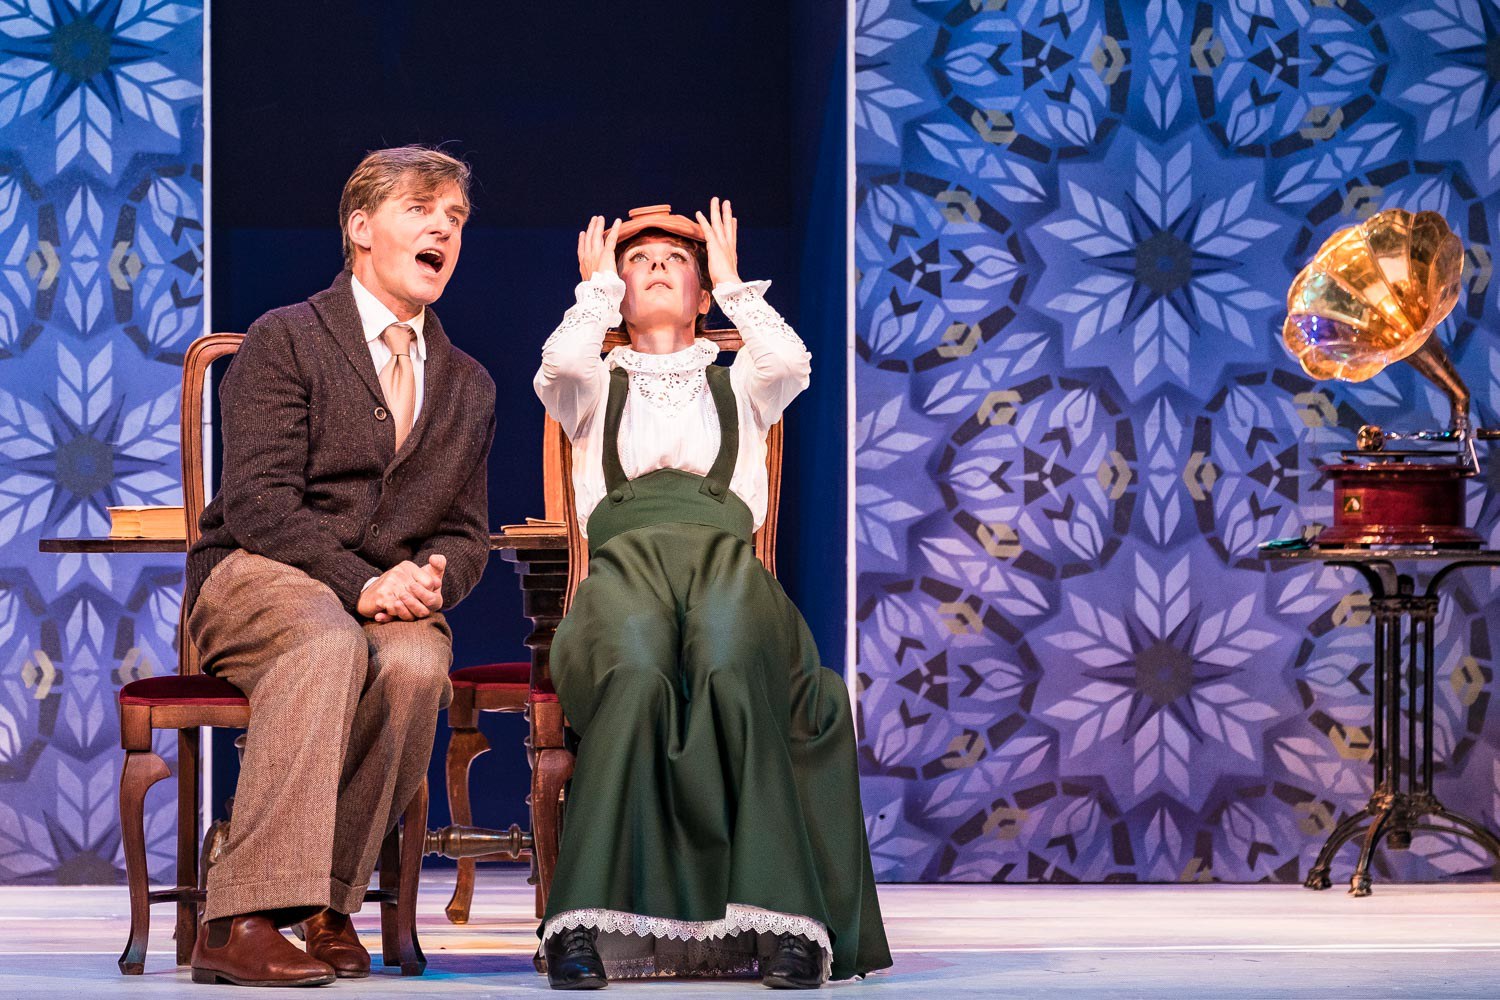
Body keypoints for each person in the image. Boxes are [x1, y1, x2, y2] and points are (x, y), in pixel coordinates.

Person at [534, 201, 892, 990]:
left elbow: (791, 362)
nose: (657, 266)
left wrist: (730, 281)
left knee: (730, 664)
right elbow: (558, 368)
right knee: (636, 674)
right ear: (617, 293)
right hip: (624, 570)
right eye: (637, 261)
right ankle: (584, 924)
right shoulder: (593, 384)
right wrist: (594, 294)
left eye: (676, 261)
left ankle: (784, 923)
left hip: (727, 566)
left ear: (700, 294)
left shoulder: (742, 385)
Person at [183, 146, 496, 987]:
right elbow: (259, 504)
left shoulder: (468, 385)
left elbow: (466, 533)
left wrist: (434, 576)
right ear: (361, 228)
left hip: (384, 595)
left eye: (455, 218)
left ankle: (324, 900)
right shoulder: (287, 338)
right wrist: (362, 584)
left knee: (418, 663)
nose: (443, 229)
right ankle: (236, 919)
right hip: (257, 572)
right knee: (328, 643)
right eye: (420, 210)